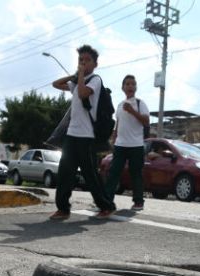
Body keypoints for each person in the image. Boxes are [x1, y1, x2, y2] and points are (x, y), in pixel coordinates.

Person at [48, 44, 117, 221]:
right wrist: (75, 74)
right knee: (65, 172)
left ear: (95, 64)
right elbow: (57, 84)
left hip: (87, 137)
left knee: (90, 174)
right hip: (71, 134)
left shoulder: (95, 80)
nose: (83, 63)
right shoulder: (77, 80)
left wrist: (80, 76)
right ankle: (63, 209)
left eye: (87, 60)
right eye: (81, 60)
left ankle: (106, 206)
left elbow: (83, 93)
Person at [104, 75, 150, 211]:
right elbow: (118, 124)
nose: (130, 86)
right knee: (113, 172)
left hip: (136, 145)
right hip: (120, 145)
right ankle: (106, 201)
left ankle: (138, 202)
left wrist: (132, 111)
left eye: (133, 84)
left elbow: (146, 121)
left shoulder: (140, 103)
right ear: (123, 87)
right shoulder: (119, 105)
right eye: (128, 84)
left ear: (135, 87)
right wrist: (114, 138)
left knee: (136, 174)